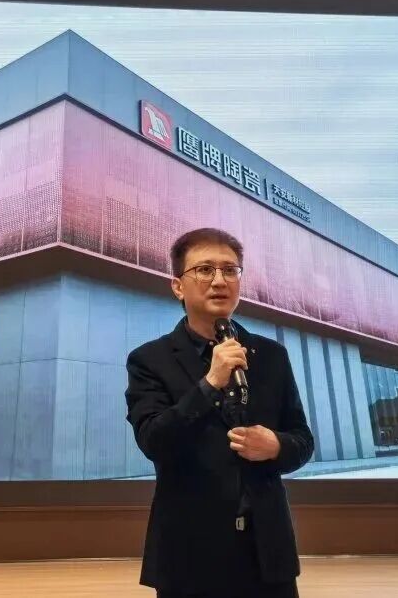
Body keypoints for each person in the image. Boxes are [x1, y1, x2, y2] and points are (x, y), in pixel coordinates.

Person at [125, 227, 315, 598]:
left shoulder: (271, 355)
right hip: (189, 554)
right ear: (178, 286)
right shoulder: (150, 360)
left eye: (230, 270)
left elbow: (302, 439)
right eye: (204, 270)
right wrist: (210, 382)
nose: (219, 281)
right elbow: (153, 440)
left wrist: (276, 445)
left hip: (266, 553)